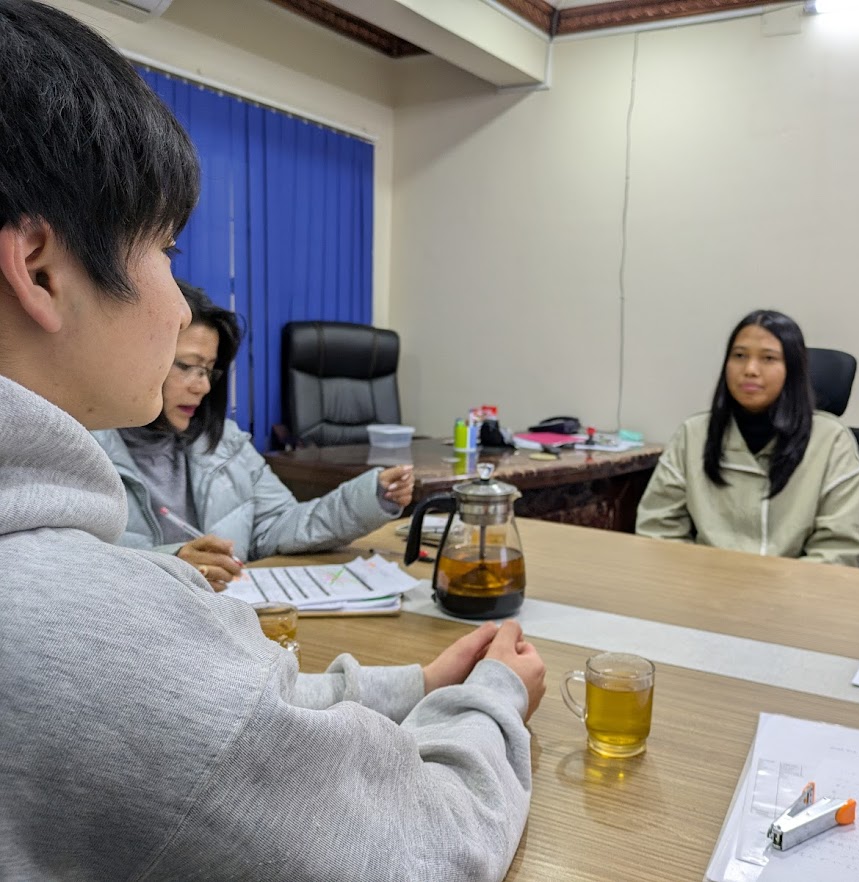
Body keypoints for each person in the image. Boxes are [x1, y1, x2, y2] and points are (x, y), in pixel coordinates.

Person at [0, 4, 545, 879]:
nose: (179, 308)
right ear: (39, 269)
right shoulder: (80, 622)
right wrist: (489, 702)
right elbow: (425, 846)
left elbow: (229, 704)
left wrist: (418, 682)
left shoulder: (215, 453)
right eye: (167, 251)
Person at [93, 281, 412, 591]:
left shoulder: (227, 445)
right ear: (137, 356)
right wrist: (174, 562)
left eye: (208, 370)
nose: (202, 386)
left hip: (231, 614)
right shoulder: (85, 451)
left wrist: (370, 496)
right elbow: (76, 567)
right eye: (187, 366)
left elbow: (280, 525)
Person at [636, 309, 859, 566]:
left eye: (768, 358)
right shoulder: (693, 434)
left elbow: (838, 549)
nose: (750, 369)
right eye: (739, 356)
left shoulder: (832, 441)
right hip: (703, 581)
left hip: (796, 587)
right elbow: (658, 528)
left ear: (792, 369)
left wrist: (776, 587)